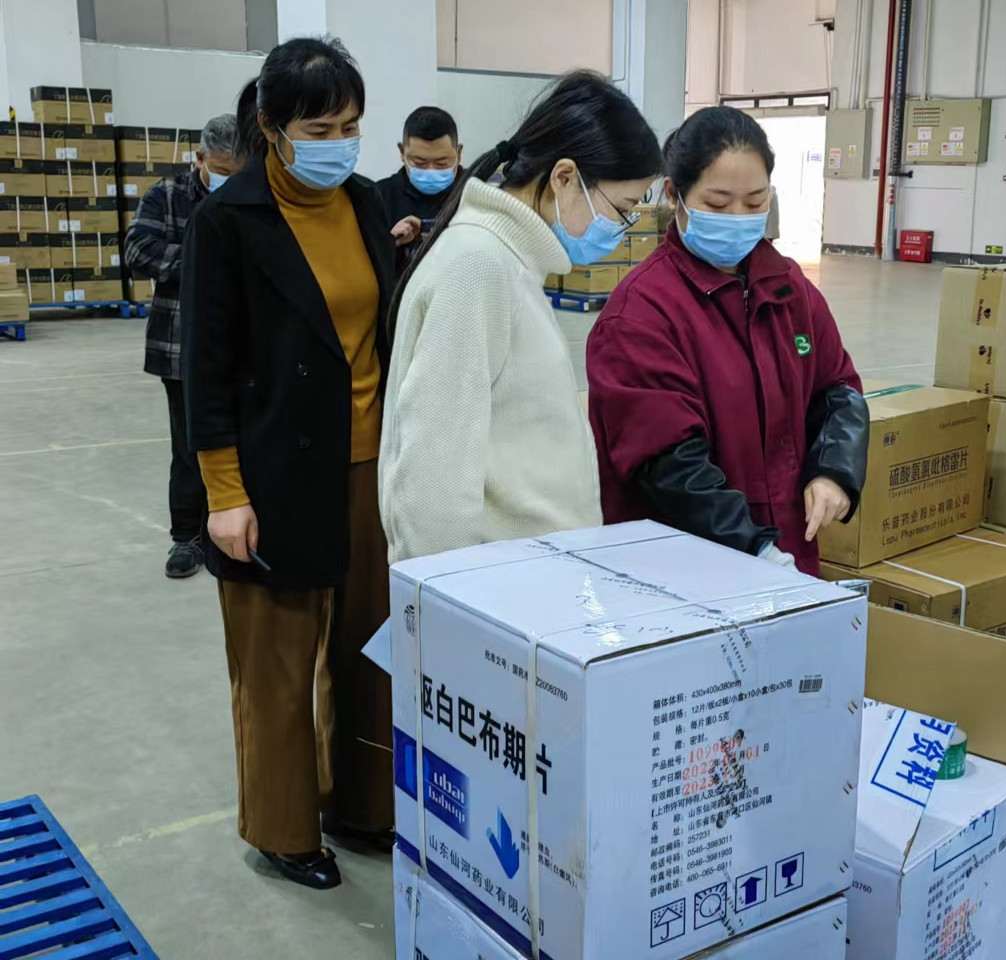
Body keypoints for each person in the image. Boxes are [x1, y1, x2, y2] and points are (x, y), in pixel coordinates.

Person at [181, 36, 396, 890]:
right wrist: (223, 494)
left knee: (369, 651)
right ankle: (282, 830)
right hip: (271, 476)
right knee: (276, 664)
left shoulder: (367, 204)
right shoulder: (227, 222)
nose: (338, 143)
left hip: (369, 465)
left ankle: (365, 806)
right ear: (271, 127)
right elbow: (205, 371)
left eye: (350, 126)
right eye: (318, 128)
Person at [380, 71, 662, 563]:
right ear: (565, 178)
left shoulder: (509, 261)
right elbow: (432, 482)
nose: (620, 229)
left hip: (529, 575)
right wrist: (449, 599)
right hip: (497, 584)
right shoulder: (479, 266)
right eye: (622, 209)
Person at [585, 107, 869, 576]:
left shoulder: (789, 289)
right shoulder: (641, 314)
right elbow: (667, 463)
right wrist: (753, 549)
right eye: (718, 204)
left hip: (786, 557)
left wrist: (833, 471)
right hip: (687, 569)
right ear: (674, 195)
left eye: (755, 203)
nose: (738, 218)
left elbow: (837, 389)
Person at [124, 113, 241, 579]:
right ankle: (187, 538)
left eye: (238, 171)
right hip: (180, 347)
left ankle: (231, 532)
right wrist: (203, 257)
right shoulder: (167, 196)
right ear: (200, 159)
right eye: (222, 171)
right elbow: (138, 250)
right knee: (191, 446)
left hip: (244, 346)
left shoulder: (253, 198)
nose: (229, 180)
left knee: (242, 445)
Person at [375, 106, 461, 272]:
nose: (431, 170)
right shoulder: (378, 198)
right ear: (402, 152)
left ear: (459, 153)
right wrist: (389, 243)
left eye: (441, 163)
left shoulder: (476, 196)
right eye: (420, 163)